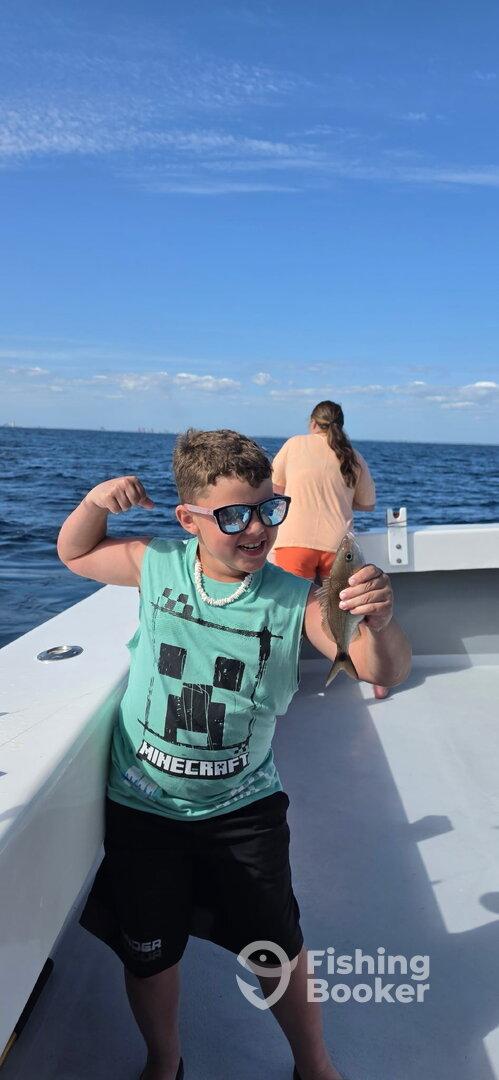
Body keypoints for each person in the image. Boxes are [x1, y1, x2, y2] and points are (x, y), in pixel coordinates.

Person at [57, 428, 411, 1080]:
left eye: (267, 509)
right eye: (232, 515)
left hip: (243, 811)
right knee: (150, 956)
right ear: (188, 518)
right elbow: (75, 554)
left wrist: (379, 625)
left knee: (276, 949)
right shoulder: (155, 563)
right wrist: (95, 503)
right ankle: (164, 1063)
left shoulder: (293, 597)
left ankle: (315, 1065)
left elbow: (373, 665)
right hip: (143, 808)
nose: (255, 529)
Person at [271, 400, 389, 700]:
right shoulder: (354, 456)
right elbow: (368, 504)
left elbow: (274, 487)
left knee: (284, 616)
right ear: (341, 424)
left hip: (294, 542)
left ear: (313, 423)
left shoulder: (295, 445)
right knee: (352, 611)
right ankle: (377, 676)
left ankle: (277, 680)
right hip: (338, 548)